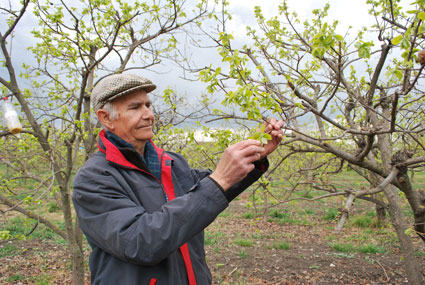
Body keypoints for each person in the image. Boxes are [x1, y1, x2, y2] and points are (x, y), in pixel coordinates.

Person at [72, 73, 284, 285]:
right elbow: (140, 242)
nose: (148, 115)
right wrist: (220, 179)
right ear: (106, 118)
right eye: (135, 107)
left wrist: (255, 154)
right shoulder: (94, 178)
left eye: (148, 105)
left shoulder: (171, 163)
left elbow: (212, 188)